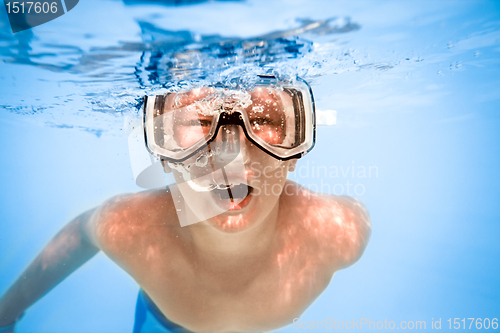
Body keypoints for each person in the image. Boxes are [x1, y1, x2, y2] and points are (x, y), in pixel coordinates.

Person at [0, 75, 371, 333]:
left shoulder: (339, 232)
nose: (231, 155)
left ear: (294, 151)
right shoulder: (131, 230)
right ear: (162, 154)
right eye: (198, 121)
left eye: (261, 120)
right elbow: (82, 233)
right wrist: (6, 311)